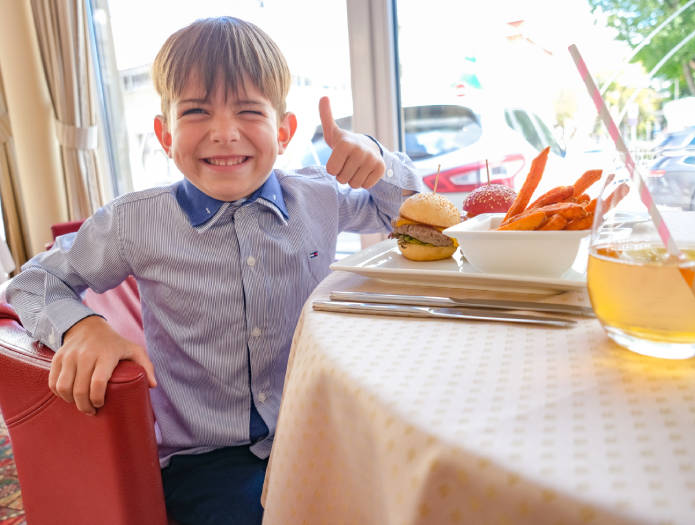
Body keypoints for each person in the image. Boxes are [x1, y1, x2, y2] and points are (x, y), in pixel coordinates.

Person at [6, 16, 421, 525]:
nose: (224, 133)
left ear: (284, 131)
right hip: (207, 460)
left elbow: (408, 216)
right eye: (197, 112)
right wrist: (83, 326)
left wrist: (379, 160)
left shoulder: (316, 197)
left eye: (248, 111)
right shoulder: (136, 222)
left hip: (321, 429)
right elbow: (29, 281)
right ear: (165, 133)